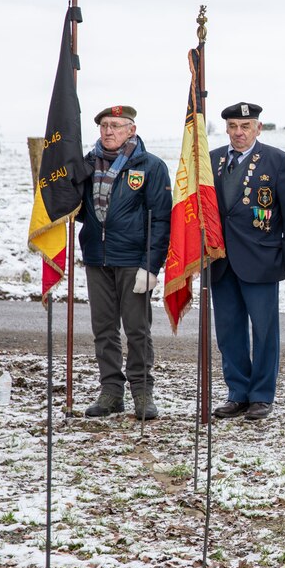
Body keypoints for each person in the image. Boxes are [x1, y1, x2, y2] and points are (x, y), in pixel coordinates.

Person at [209, 102, 285, 421]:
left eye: (245, 126)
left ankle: (261, 395)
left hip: (261, 259)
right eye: (233, 126)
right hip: (221, 261)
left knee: (264, 331)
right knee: (229, 330)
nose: (238, 133)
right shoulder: (212, 161)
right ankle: (237, 393)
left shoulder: (276, 161)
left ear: (258, 128)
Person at [79, 105, 171, 420]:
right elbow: (73, 207)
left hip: (133, 259)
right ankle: (110, 392)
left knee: (136, 329)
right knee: (103, 329)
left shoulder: (151, 166)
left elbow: (160, 220)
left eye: (116, 126)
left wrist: (152, 265)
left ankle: (143, 391)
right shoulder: (86, 164)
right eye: (104, 125)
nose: (108, 131)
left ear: (131, 129)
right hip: (97, 256)